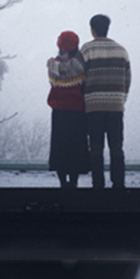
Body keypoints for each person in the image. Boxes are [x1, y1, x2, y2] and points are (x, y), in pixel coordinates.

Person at [80, 15, 131, 190]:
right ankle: (118, 184)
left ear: (92, 29)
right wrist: (120, 100)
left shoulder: (86, 50)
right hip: (116, 107)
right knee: (116, 147)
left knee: (95, 148)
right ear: (107, 28)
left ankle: (98, 185)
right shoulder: (122, 50)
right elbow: (127, 80)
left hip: (93, 107)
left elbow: (78, 77)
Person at [46, 31, 89, 188]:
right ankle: (74, 182)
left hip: (59, 112)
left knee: (61, 148)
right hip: (78, 112)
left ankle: (63, 183)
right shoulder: (81, 65)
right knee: (76, 148)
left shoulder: (52, 65)